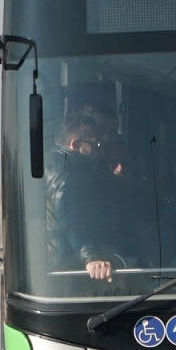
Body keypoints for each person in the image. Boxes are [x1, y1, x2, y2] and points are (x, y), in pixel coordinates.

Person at [45, 104, 140, 280]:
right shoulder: (63, 172)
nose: (100, 146)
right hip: (67, 262)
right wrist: (90, 258)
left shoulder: (79, 167)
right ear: (76, 144)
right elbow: (70, 214)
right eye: (95, 143)